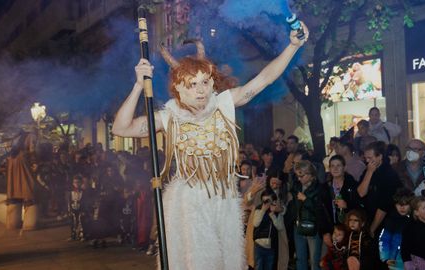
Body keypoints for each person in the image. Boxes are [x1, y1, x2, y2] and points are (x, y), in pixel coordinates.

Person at [112, 23, 309, 269]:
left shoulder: (224, 103)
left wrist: (292, 46)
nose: (200, 90)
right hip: (189, 200)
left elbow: (264, 79)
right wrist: (138, 86)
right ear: (178, 89)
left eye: (205, 82)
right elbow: (120, 128)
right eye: (192, 84)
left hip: (224, 196)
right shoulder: (169, 116)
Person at [357, 142, 402, 238]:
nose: (367, 161)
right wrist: (369, 172)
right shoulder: (367, 171)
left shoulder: (389, 174)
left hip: (387, 221)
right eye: (366, 158)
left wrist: (373, 227)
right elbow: (361, 193)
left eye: (370, 158)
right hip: (368, 216)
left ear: (380, 156)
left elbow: (384, 205)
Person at [319, 155, 360, 249]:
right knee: (329, 261)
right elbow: (320, 211)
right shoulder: (324, 188)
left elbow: (360, 207)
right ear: (329, 169)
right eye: (332, 166)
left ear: (344, 167)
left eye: (338, 165)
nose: (335, 168)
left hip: (349, 230)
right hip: (331, 230)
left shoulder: (353, 185)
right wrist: (325, 232)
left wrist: (347, 206)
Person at [290, 160, 324, 270]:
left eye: (301, 175)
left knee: (315, 260)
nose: (299, 178)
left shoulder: (319, 188)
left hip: (313, 227)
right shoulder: (296, 186)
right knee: (300, 258)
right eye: (297, 175)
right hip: (298, 225)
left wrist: (306, 200)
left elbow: (320, 210)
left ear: (311, 174)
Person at [379, 188, 414, 270]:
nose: (402, 207)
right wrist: (386, 258)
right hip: (395, 263)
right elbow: (384, 239)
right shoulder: (391, 220)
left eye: (405, 204)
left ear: (411, 204)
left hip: (414, 262)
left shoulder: (415, 221)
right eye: (399, 204)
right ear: (395, 204)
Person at [253, 189, 285, 270]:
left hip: (271, 247)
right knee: (258, 267)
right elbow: (255, 223)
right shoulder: (259, 209)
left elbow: (280, 227)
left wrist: (273, 215)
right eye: (264, 201)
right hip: (259, 245)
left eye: (268, 201)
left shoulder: (277, 211)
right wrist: (263, 210)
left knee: (269, 267)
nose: (266, 203)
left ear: (274, 201)